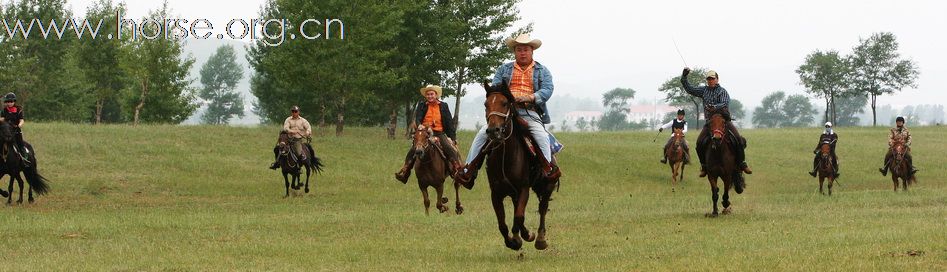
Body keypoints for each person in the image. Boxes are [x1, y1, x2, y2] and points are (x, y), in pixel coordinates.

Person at [458, 34, 559, 185]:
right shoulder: (504, 69)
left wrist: (530, 97)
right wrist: (508, 98)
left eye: (525, 49)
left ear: (532, 51)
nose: (522, 53)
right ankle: (469, 170)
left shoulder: (542, 71)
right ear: (514, 52)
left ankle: (547, 170)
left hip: (530, 112)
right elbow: (495, 88)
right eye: (519, 50)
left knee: (541, 136)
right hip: (506, 112)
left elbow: (547, 89)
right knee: (481, 134)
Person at [680, 68, 752, 177]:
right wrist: (684, 77)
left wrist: (714, 107)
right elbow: (689, 89)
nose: (710, 81)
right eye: (708, 79)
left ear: (717, 80)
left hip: (724, 121)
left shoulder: (722, 91)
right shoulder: (704, 90)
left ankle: (742, 163)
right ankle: (704, 166)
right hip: (710, 123)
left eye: (712, 79)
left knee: (738, 139)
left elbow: (724, 103)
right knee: (699, 143)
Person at [394, 85, 464, 183]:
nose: (430, 96)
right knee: (414, 149)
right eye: (428, 94)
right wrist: (419, 125)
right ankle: (405, 171)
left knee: (448, 147)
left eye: (432, 94)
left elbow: (449, 122)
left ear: (436, 95)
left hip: (439, 133)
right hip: (425, 132)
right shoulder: (422, 105)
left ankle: (457, 169)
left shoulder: (443, 106)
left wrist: (453, 137)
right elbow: (418, 117)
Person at [0, 92, 29, 167]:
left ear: (14, 101)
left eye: (11, 101)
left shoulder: (19, 109)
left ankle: (24, 159)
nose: (9, 103)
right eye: (8, 101)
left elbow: (22, 120)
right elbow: (2, 119)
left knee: (20, 144)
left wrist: (19, 125)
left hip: (16, 131)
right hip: (6, 132)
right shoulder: (4, 110)